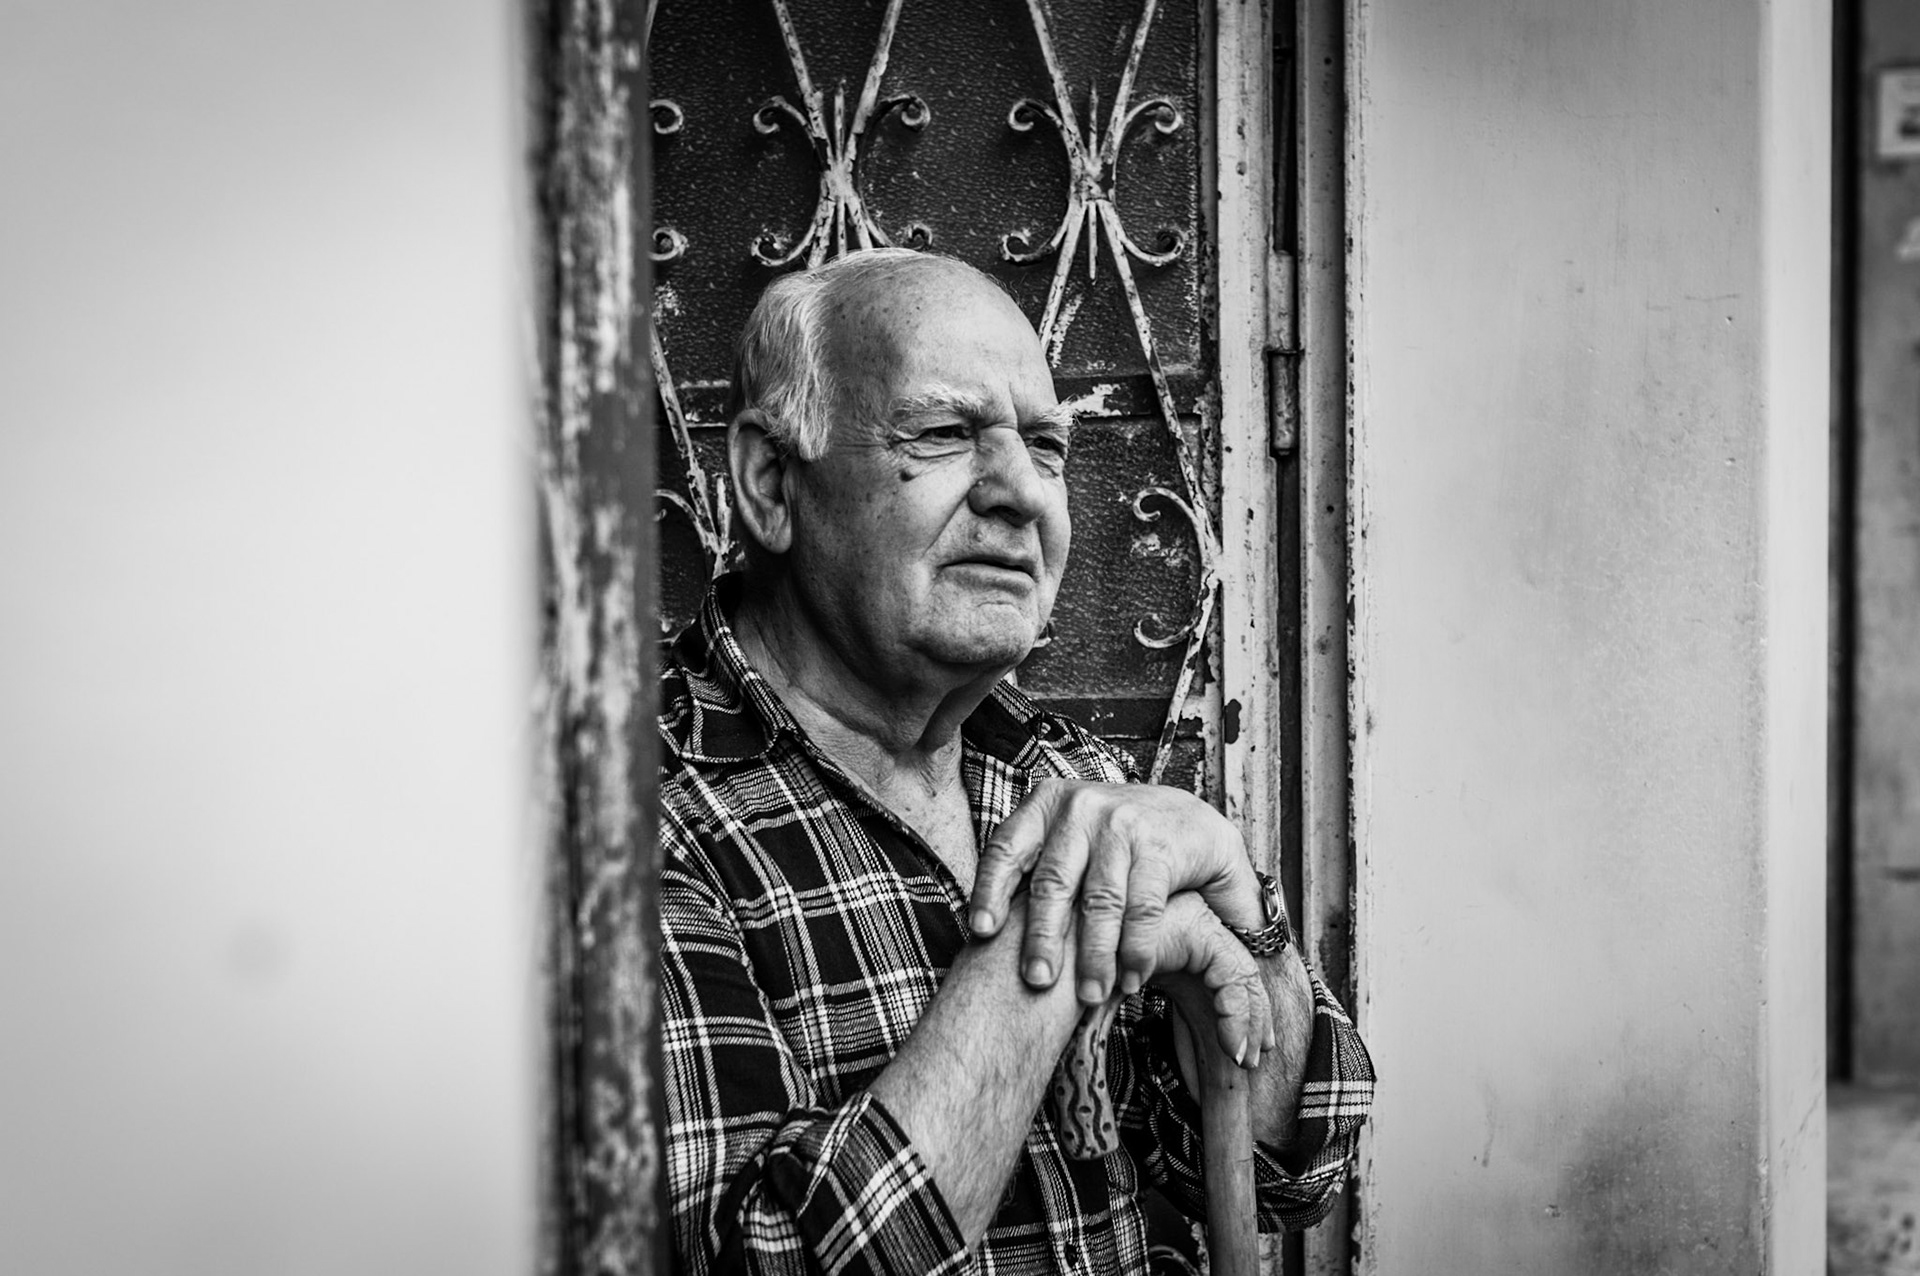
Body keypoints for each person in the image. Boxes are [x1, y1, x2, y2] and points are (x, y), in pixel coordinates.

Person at [659, 247, 1373, 1274]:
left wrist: (1249, 925)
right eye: (946, 433)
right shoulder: (632, 809)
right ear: (773, 483)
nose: (1019, 496)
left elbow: (1295, 1168)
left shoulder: (1057, 769)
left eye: (1045, 447)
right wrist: (1046, 945)